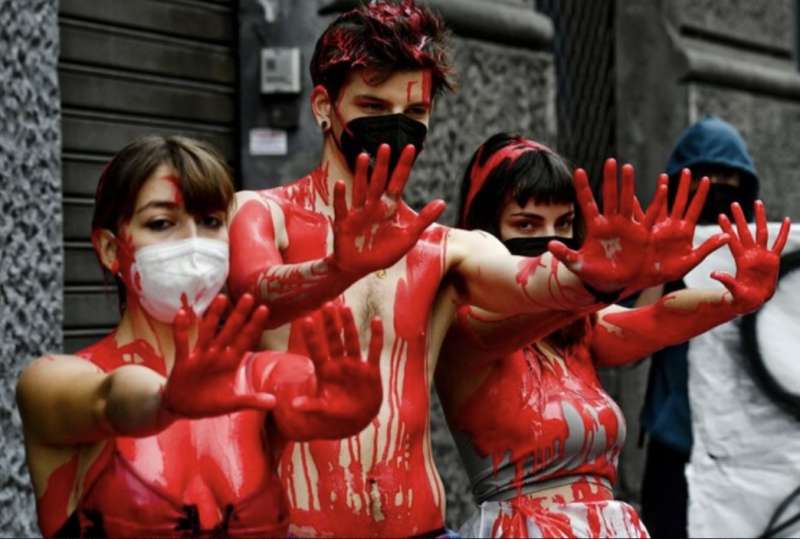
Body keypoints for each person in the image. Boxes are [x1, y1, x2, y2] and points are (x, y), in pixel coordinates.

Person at [226, 3, 726, 535]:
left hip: (421, 528)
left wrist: (601, 275)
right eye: (373, 104)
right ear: (324, 106)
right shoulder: (263, 212)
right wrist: (335, 268)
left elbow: (533, 283)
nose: (397, 127)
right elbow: (256, 293)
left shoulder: (443, 247)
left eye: (414, 113)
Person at [16, 136, 384, 538]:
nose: (193, 243)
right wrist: (165, 402)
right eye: (161, 223)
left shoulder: (255, 379)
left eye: (210, 221)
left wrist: (345, 408)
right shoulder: (52, 380)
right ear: (109, 248)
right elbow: (110, 399)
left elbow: (305, 397)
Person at [433, 133, 790, 537]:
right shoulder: (467, 329)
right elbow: (552, 304)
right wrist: (609, 282)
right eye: (526, 224)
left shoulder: (576, 328)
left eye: (564, 223)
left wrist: (734, 300)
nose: (551, 239)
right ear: (484, 233)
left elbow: (656, 320)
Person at [638, 116, 760, 538]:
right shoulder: (659, 253)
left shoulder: (759, 255)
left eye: (729, 178)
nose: (719, 187)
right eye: (707, 178)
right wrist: (657, 266)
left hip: (746, 446)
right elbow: (627, 344)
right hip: (677, 446)